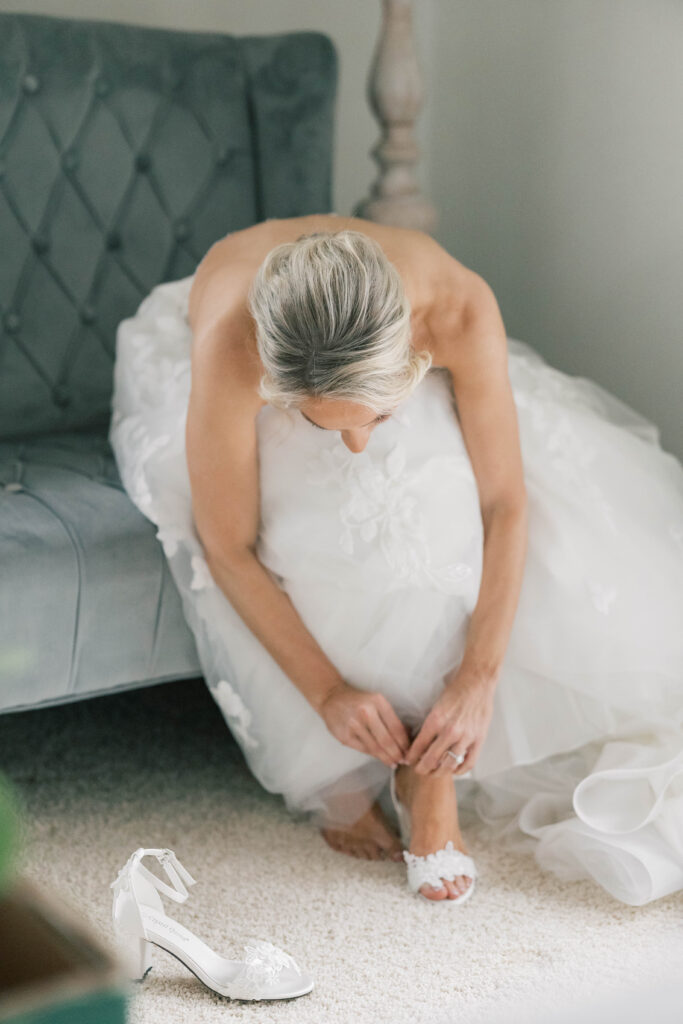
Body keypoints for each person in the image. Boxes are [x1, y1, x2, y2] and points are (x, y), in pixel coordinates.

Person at [109, 214, 683, 907]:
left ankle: (427, 775)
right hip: (241, 349)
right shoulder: (235, 345)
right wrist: (325, 691)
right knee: (322, 533)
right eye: (327, 424)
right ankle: (358, 767)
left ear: (415, 356)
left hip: (384, 343)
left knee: (429, 505)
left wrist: (477, 677)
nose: (354, 444)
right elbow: (226, 546)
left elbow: (505, 503)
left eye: (375, 417)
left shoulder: (456, 308)